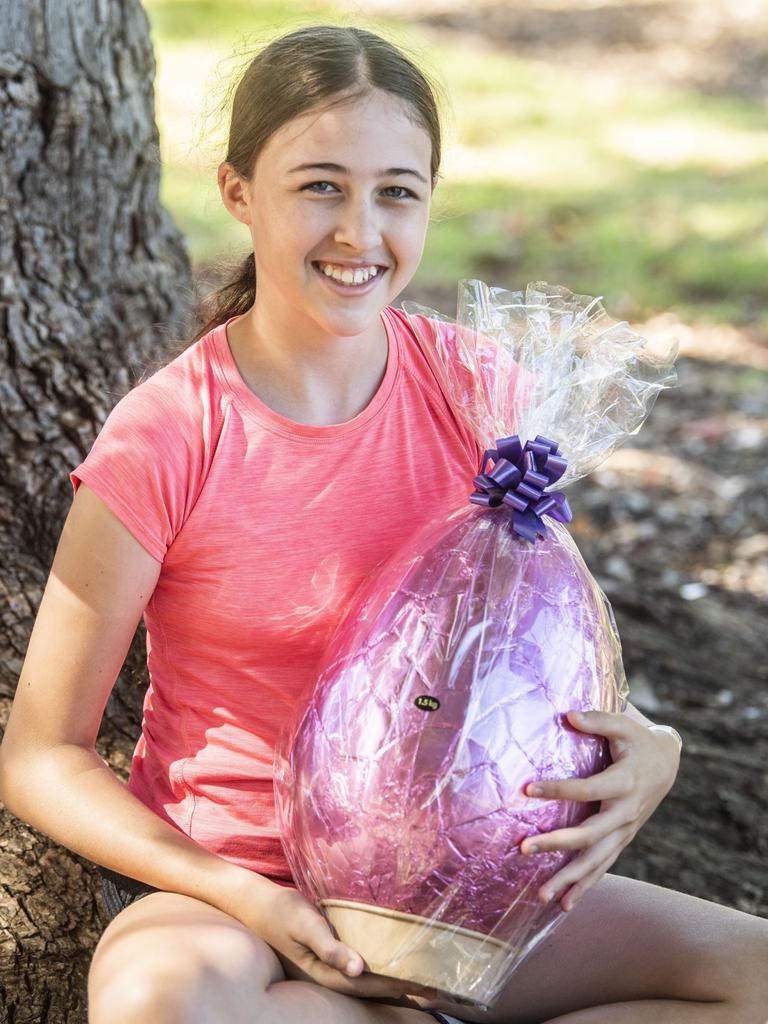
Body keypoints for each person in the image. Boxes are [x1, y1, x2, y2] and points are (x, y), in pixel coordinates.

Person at [0, 22, 766, 1024]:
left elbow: (548, 661)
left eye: (396, 191)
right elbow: (40, 754)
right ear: (239, 194)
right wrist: (239, 891)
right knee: (158, 1004)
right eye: (320, 184)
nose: (360, 232)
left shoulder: (480, 393)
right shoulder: (170, 433)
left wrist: (650, 753)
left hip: (471, 891)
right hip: (231, 891)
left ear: (431, 200)